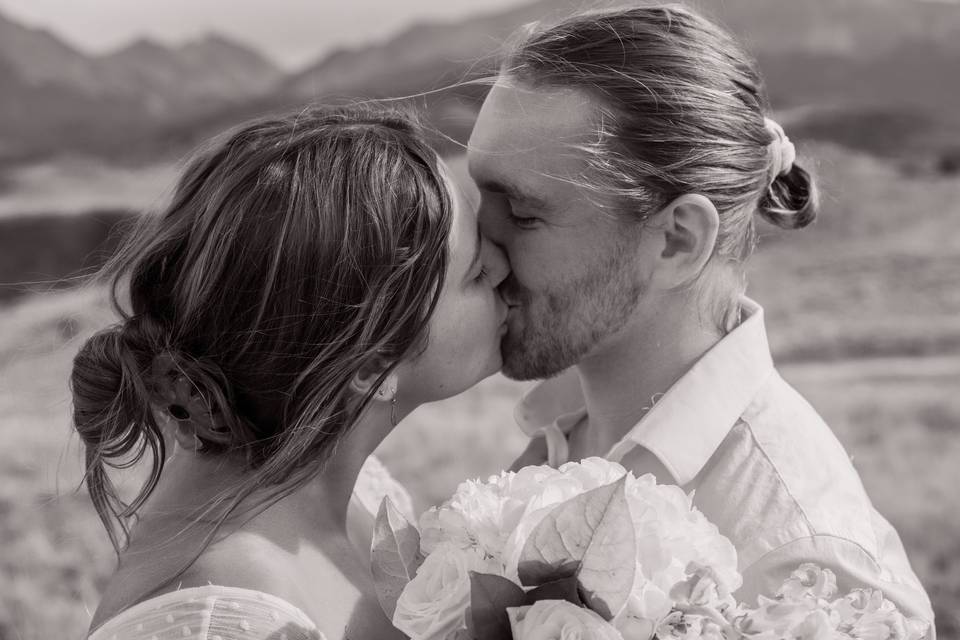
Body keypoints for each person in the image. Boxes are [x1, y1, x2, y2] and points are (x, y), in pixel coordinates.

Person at [468, 3, 935, 629]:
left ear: (677, 241)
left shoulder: (802, 573)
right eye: (479, 196)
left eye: (523, 215)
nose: (478, 253)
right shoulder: (561, 437)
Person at [75, 104, 509, 640]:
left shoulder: (349, 494)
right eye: (478, 273)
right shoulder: (222, 623)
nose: (505, 269)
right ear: (373, 359)